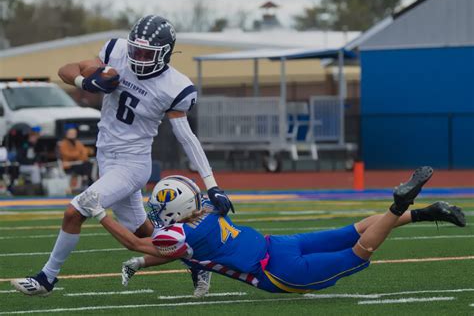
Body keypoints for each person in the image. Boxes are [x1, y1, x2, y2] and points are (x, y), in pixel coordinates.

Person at [11, 15, 233, 297]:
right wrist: (86, 81)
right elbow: (65, 69)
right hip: (106, 156)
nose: (138, 58)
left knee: (74, 211)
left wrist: (211, 184)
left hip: (132, 163)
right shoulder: (115, 51)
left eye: (146, 53)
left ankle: (46, 278)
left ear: (165, 54)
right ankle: (195, 259)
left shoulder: (174, 85)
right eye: (135, 50)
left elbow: (186, 137)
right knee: (143, 231)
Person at [62, 168, 465, 294]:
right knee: (352, 229)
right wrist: (140, 262)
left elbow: (141, 240)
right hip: (279, 243)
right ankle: (428, 211)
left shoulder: (179, 236)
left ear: (176, 209)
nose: (156, 212)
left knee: (360, 251)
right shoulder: (211, 208)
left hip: (277, 272)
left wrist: (101, 213)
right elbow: (169, 253)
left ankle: (399, 206)